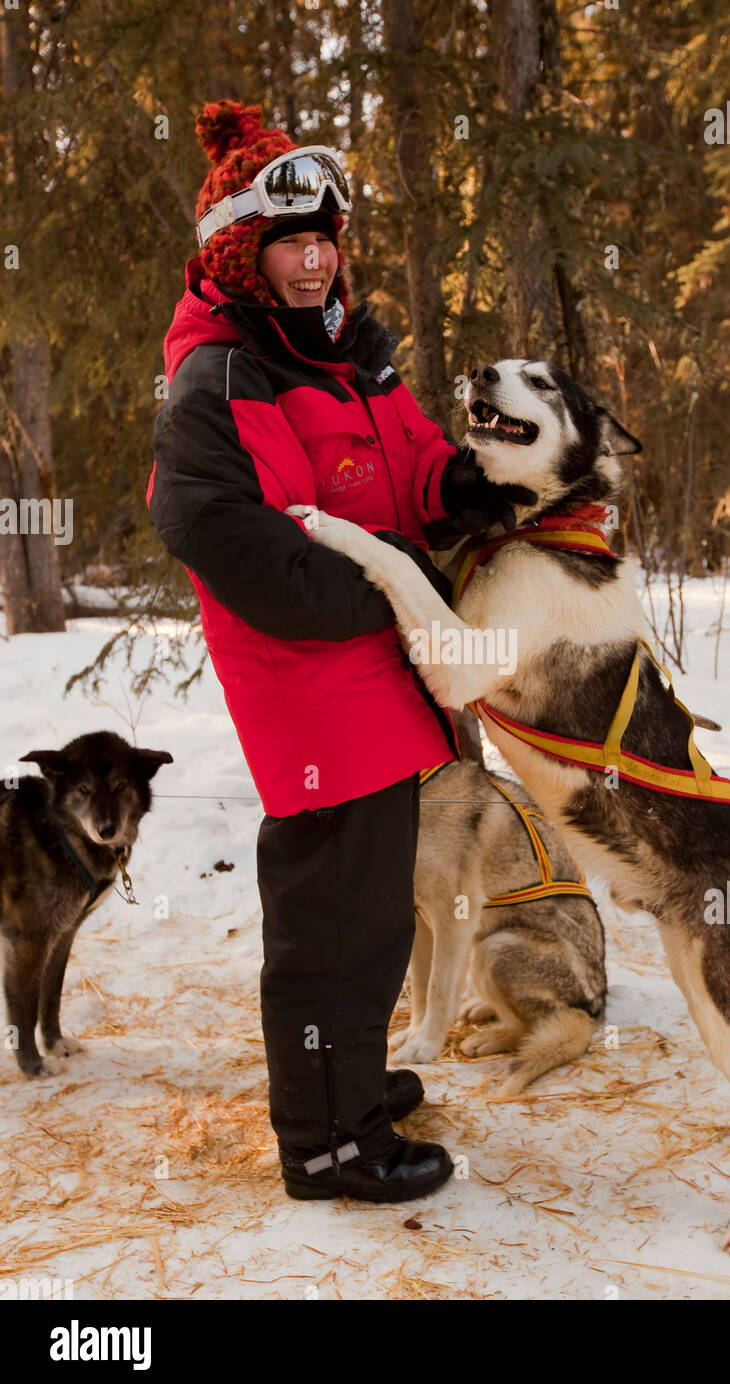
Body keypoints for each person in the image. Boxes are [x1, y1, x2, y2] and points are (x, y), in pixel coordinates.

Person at [147, 100, 534, 1202]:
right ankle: (325, 1145)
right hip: (309, 696)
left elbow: (404, 468)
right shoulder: (218, 379)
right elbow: (235, 543)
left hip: (371, 689)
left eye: (326, 239)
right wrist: (396, 593)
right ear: (241, 253)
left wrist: (465, 487)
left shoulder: (339, 361)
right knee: (330, 929)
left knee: (372, 917)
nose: (315, 262)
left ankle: (351, 1086)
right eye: (290, 242)